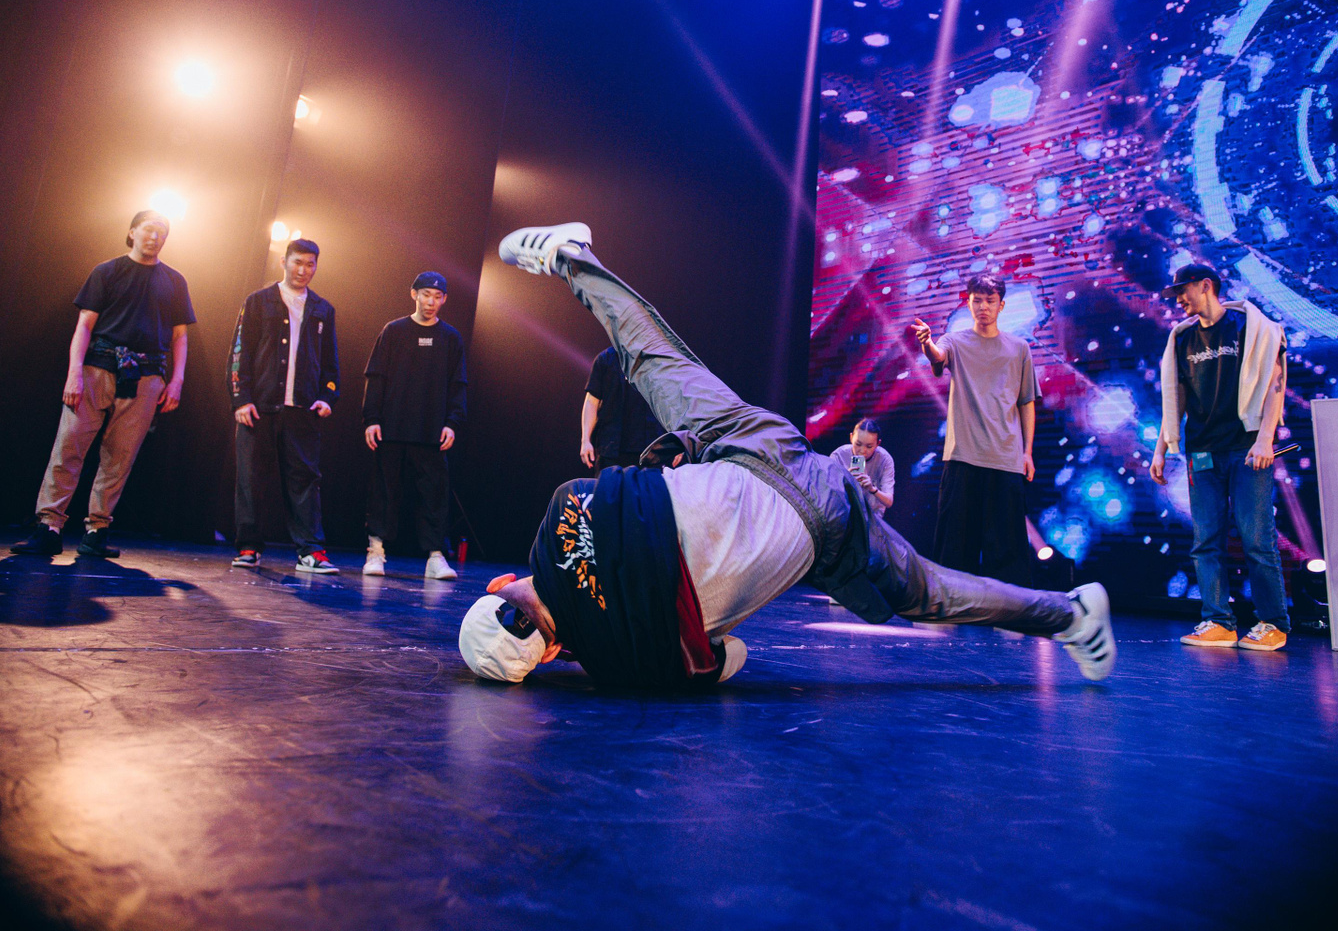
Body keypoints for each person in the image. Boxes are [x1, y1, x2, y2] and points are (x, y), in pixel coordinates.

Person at [455, 222, 1114, 690]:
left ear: (547, 657)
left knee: (933, 592)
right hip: (751, 448)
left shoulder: (634, 668)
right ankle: (571, 258)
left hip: (820, 527)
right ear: (499, 585)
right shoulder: (563, 511)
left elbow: (732, 656)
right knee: (652, 362)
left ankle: (1072, 617)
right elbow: (644, 480)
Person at [11, 211, 195, 558]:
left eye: (162, 232)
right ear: (132, 232)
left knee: (120, 457)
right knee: (69, 446)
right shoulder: (107, 271)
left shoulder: (174, 280)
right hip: (99, 367)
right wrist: (74, 373)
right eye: (149, 229)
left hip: (146, 375)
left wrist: (177, 380)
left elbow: (180, 336)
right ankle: (49, 526)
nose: (155, 237)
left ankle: (97, 530)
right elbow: (84, 325)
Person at [1148, 262, 1291, 652]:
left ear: (1205, 286)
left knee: (1256, 538)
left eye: (1183, 290)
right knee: (1205, 540)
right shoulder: (1182, 338)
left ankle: (1273, 623)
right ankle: (1218, 621)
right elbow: (1174, 399)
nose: (1178, 299)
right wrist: (1161, 449)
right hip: (1202, 450)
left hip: (1246, 448)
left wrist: (1265, 439)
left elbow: (1275, 384)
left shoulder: (1250, 327)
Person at [909, 275, 1040, 584]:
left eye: (990, 301)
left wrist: (1027, 452)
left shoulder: (1019, 348)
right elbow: (938, 356)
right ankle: (953, 603)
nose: (983, 307)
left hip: (1006, 458)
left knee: (1007, 550)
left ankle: (1008, 606)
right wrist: (927, 342)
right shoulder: (954, 340)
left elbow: (1026, 402)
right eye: (977, 301)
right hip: (962, 457)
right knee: (955, 546)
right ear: (968, 303)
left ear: (1001, 305)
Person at [228, 239, 340, 573]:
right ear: (284, 262)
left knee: (305, 480)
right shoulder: (258, 301)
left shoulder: (323, 309)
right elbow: (240, 352)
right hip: (260, 407)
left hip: (302, 410)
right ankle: (249, 547)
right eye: (297, 262)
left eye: (310, 264)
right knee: (251, 478)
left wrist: (327, 397)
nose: (303, 270)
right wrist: (241, 398)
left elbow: (330, 362)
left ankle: (311, 551)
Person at [361, 271, 467, 579]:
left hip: (431, 431)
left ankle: (435, 556)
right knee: (384, 491)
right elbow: (376, 377)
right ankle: (376, 552)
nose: (431, 302)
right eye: (426, 295)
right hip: (392, 426)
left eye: (437, 296)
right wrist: (372, 419)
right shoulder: (394, 331)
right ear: (414, 294)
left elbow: (458, 384)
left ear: (444, 299)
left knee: (434, 495)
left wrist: (452, 423)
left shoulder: (451, 337)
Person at [580, 345, 663, 470]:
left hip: (651, 449)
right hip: (611, 449)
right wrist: (585, 440)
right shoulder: (606, 358)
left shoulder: (656, 359)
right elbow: (591, 401)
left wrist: (677, 441)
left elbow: (671, 402)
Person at [829, 418, 895, 516]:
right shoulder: (838, 456)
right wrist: (845, 481)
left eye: (869, 446)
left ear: (878, 444)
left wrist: (872, 489)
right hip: (843, 514)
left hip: (873, 516)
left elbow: (889, 501)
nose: (862, 451)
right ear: (851, 438)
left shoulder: (885, 459)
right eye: (858, 444)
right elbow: (827, 495)